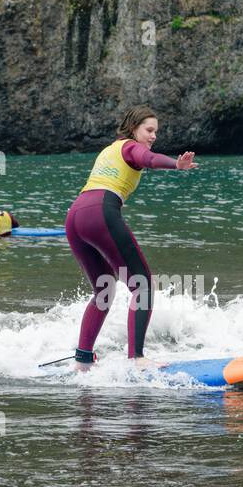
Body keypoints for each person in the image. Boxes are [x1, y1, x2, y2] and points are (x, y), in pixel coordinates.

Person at [65, 105, 197, 369]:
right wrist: (176, 165)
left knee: (104, 288)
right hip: (99, 212)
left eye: (156, 132)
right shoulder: (130, 147)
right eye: (149, 130)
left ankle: (82, 360)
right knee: (143, 284)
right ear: (133, 128)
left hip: (74, 216)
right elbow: (148, 159)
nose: (153, 136)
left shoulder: (109, 149)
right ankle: (137, 358)